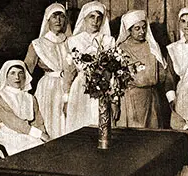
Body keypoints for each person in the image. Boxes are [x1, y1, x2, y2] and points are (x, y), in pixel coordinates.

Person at [24, 3, 74, 139]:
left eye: (61, 17)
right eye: (54, 16)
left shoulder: (72, 42)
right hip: (48, 87)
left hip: (69, 86)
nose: (58, 20)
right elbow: (27, 69)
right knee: (50, 121)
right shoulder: (38, 44)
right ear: (48, 20)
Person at [65, 1, 115, 133]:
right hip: (80, 88)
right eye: (91, 17)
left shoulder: (109, 41)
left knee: (100, 124)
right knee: (80, 126)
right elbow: (69, 72)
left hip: (103, 87)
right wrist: (66, 98)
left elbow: (113, 72)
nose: (95, 21)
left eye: (99, 18)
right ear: (84, 18)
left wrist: (114, 99)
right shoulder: (73, 41)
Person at [116, 10, 169, 128]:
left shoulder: (152, 46)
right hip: (131, 98)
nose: (142, 32)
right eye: (137, 28)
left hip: (151, 98)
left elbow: (162, 73)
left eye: (144, 27)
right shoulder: (122, 48)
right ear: (129, 30)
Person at [0, 60, 49, 155]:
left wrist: (44, 133)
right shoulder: (0, 97)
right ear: (5, 76)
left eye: (20, 73)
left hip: (28, 131)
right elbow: (14, 123)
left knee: (45, 146)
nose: (17, 77)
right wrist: (40, 134)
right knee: (33, 148)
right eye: (12, 73)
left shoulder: (30, 97)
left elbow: (38, 120)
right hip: (8, 133)